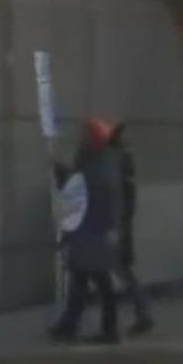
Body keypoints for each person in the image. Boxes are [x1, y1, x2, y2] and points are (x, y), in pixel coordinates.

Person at [49, 117, 125, 345]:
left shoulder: (99, 166)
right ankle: (70, 324)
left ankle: (104, 329)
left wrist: (63, 176)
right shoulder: (97, 163)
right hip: (89, 231)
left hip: (93, 231)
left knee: (97, 281)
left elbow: (83, 190)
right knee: (82, 279)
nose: (81, 139)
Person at [108, 122, 154, 336]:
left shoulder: (118, 163)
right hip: (119, 224)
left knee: (121, 269)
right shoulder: (122, 162)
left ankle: (142, 314)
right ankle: (142, 313)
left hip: (117, 225)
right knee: (122, 270)